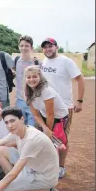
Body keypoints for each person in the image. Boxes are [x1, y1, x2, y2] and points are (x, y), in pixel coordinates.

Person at [0, 107, 60, 191]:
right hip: (31, 166)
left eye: (12, 121)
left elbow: (13, 174)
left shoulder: (31, 139)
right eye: (7, 122)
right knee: (0, 150)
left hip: (43, 176)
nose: (9, 125)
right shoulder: (18, 132)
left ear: (22, 119)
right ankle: (18, 188)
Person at [40, 37, 85, 178]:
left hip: (64, 107)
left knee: (62, 138)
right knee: (48, 136)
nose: (48, 49)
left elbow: (80, 79)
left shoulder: (66, 61)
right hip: (46, 106)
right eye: (45, 47)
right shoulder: (44, 62)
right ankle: (50, 164)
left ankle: (61, 166)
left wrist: (79, 101)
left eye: (50, 46)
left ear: (56, 47)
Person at [24, 66, 69, 176]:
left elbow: (51, 114)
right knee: (41, 140)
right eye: (28, 77)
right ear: (25, 78)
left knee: (59, 142)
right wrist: (45, 128)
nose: (31, 79)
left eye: (34, 76)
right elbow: (35, 114)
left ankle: (61, 167)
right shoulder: (27, 93)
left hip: (59, 117)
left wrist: (48, 131)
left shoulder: (46, 91)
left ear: (40, 77)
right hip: (44, 116)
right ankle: (43, 166)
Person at [14, 35, 39, 126]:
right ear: (19, 47)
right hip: (20, 101)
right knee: (21, 128)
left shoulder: (37, 63)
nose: (24, 48)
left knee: (32, 129)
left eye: (26, 46)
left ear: (31, 48)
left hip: (34, 101)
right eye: (22, 46)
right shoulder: (16, 61)